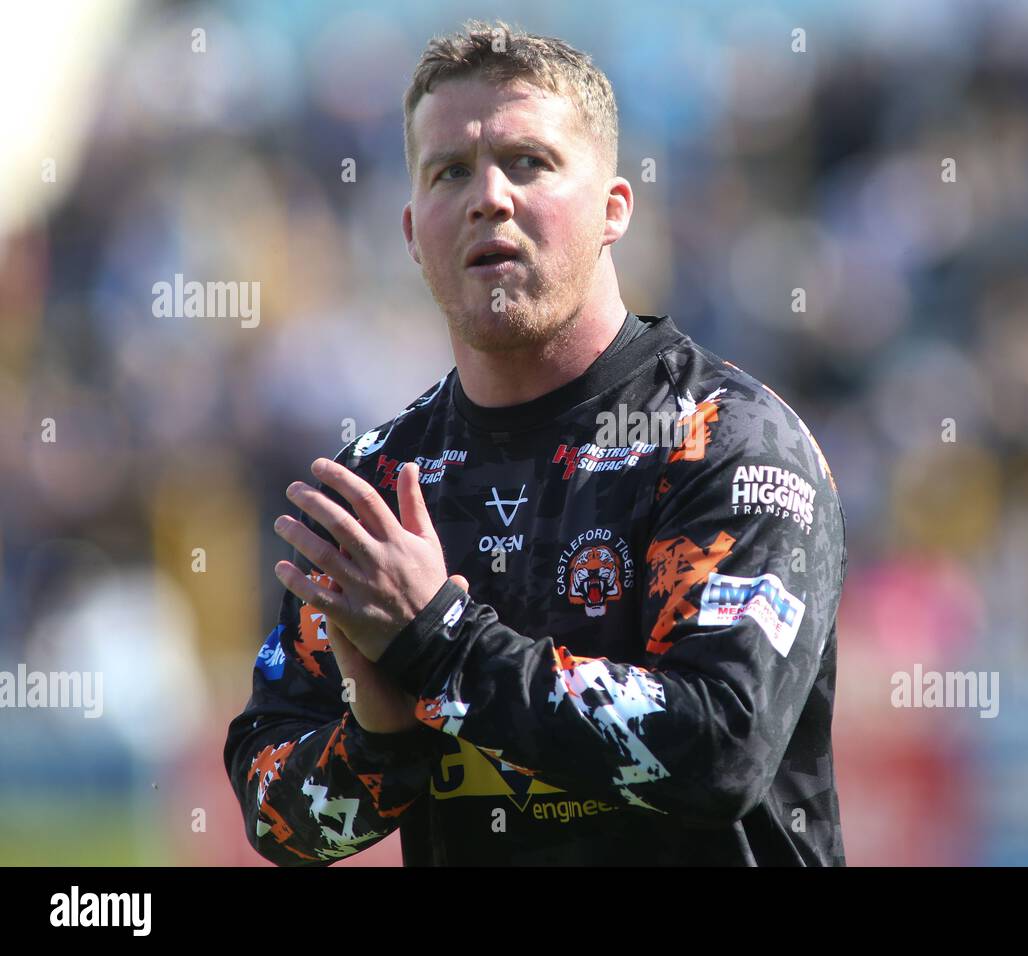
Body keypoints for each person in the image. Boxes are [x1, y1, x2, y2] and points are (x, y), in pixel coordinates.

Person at [223, 19, 847, 866]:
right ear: (413, 233)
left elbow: (720, 747)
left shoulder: (723, 438)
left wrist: (437, 641)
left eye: (529, 162)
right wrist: (379, 742)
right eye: (451, 172)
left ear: (613, 210)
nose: (490, 196)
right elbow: (275, 814)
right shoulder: (379, 482)